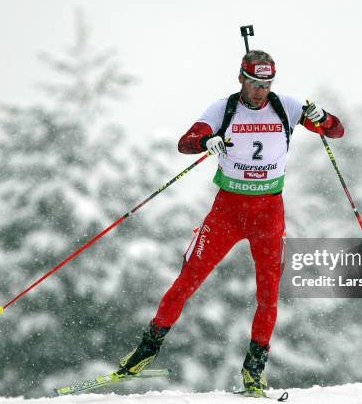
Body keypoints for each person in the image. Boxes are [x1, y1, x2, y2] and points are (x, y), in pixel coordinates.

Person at [114, 50, 345, 396]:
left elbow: (336, 131)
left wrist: (322, 116)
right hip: (228, 212)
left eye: (267, 84)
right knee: (188, 279)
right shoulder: (223, 109)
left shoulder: (288, 107)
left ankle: (254, 370)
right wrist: (208, 141)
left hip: (269, 214)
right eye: (255, 83)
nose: (260, 91)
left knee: (268, 295)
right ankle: (147, 350)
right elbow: (185, 143)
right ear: (241, 78)